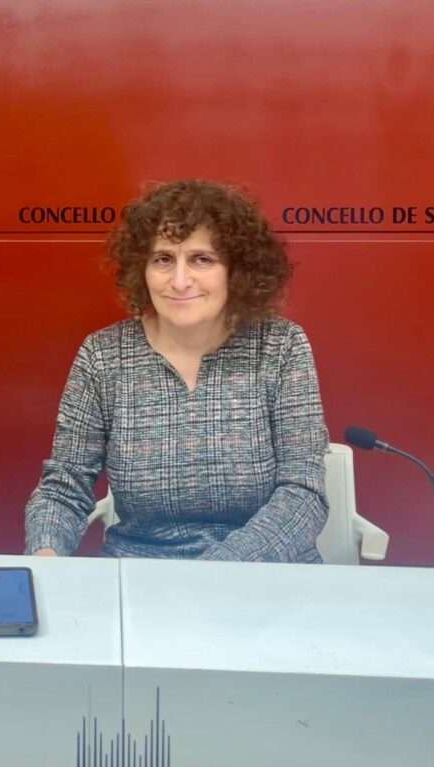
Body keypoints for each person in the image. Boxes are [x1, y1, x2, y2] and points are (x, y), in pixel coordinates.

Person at [25, 179, 329, 562]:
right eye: (163, 259)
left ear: (237, 270)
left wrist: (213, 573)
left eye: (202, 259)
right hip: (140, 573)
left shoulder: (280, 346)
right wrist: (46, 553)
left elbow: (303, 494)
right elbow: (64, 486)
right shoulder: (103, 355)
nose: (180, 281)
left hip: (264, 573)